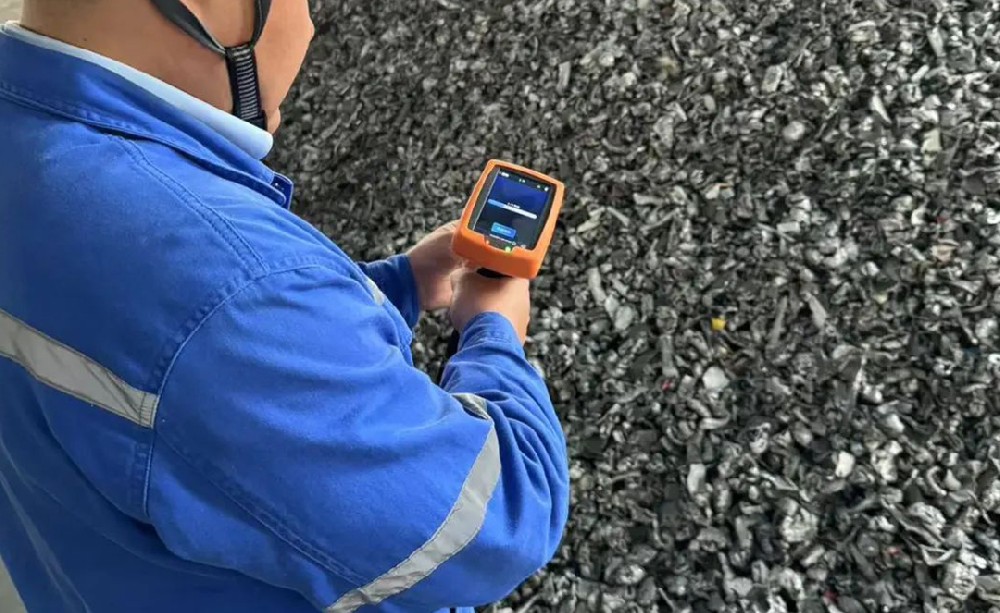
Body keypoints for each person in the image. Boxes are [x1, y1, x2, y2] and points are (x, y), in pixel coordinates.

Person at [0, 0, 570, 611]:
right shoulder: (227, 287)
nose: (311, 24)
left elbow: (160, 367)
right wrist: (493, 330)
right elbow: (496, 527)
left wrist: (400, 284)